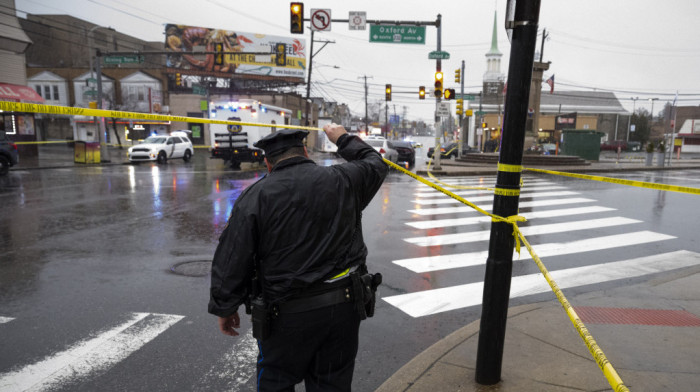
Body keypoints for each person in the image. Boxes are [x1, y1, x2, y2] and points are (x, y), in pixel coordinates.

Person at [208, 123, 388, 391]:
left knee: (276, 381)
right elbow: (374, 161)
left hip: (286, 315)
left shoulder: (256, 197)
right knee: (332, 384)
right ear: (305, 152)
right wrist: (342, 138)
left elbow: (234, 256)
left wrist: (225, 305)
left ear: (268, 164)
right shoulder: (344, 180)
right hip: (343, 308)